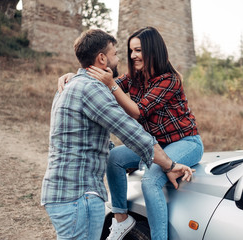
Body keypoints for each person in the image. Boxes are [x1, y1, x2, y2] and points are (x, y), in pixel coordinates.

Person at [41, 28, 194, 240]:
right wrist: (169, 165)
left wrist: (83, 76)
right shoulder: (115, 82)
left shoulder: (168, 79)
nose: (128, 57)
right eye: (120, 53)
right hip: (77, 196)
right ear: (102, 58)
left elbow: (138, 111)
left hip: (184, 141)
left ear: (152, 50)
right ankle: (121, 218)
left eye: (138, 50)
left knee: (150, 180)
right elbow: (129, 128)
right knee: (118, 160)